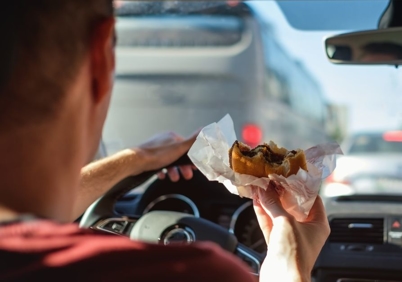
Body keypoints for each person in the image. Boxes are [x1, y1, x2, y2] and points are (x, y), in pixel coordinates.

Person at [0, 1, 330, 282]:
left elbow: (34, 215)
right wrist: (288, 267)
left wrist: (136, 159)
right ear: (101, 60)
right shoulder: (189, 271)